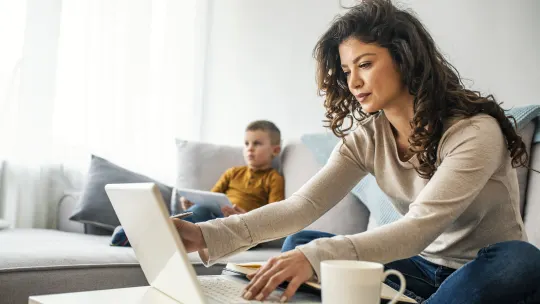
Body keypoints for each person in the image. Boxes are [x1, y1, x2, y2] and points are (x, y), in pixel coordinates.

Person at [172, 1, 540, 303]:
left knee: (522, 261)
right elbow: (302, 207)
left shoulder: (474, 132)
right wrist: (205, 234)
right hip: (420, 269)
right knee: (301, 244)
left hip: (485, 269)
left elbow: (418, 228)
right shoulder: (367, 138)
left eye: (365, 64)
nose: (354, 82)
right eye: (347, 70)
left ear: (404, 58)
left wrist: (315, 259)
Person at [181, 120, 285, 223]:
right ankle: (175, 227)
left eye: (257, 143)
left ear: (275, 150)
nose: (250, 148)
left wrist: (245, 218)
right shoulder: (233, 172)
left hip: (241, 223)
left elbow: (274, 215)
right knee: (199, 209)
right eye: (246, 144)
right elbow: (211, 198)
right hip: (214, 216)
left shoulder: (274, 178)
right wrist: (193, 204)